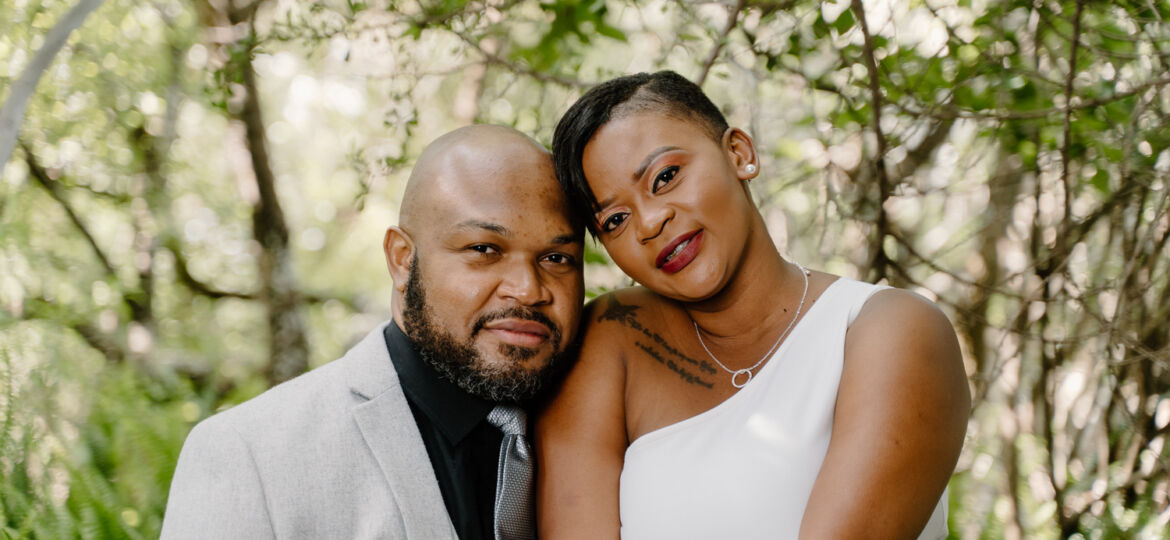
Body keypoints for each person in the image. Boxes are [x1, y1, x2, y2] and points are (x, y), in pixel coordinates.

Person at [536, 71, 971, 539]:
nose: (650, 222)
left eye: (665, 177)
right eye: (615, 220)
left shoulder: (888, 330)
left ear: (739, 153)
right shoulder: (614, 336)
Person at [161, 125, 585, 539]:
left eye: (557, 258)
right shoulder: (248, 453)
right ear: (402, 260)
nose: (528, 289)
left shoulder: (607, 431)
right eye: (484, 249)